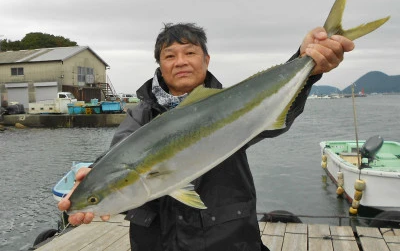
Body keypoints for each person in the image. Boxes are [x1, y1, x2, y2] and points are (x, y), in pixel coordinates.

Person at [59, 23, 354, 251]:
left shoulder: (231, 103)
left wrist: (306, 63)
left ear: (206, 59)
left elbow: (277, 116)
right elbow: (122, 149)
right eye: (170, 56)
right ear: (159, 65)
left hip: (228, 240)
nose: (181, 61)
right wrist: (93, 178)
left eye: (190, 53)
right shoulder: (142, 114)